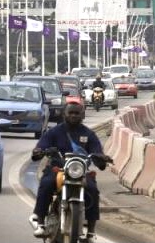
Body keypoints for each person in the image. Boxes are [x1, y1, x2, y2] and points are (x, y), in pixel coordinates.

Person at [29, 103, 104, 243]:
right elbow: (41, 147)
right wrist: (39, 151)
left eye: (77, 113)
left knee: (93, 189)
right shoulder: (54, 132)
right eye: (71, 113)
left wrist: (101, 157)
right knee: (46, 183)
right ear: (64, 114)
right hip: (57, 168)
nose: (74, 116)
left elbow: (97, 152)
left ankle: (91, 231)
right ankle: (40, 221)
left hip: (79, 171)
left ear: (82, 115)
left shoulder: (89, 134)